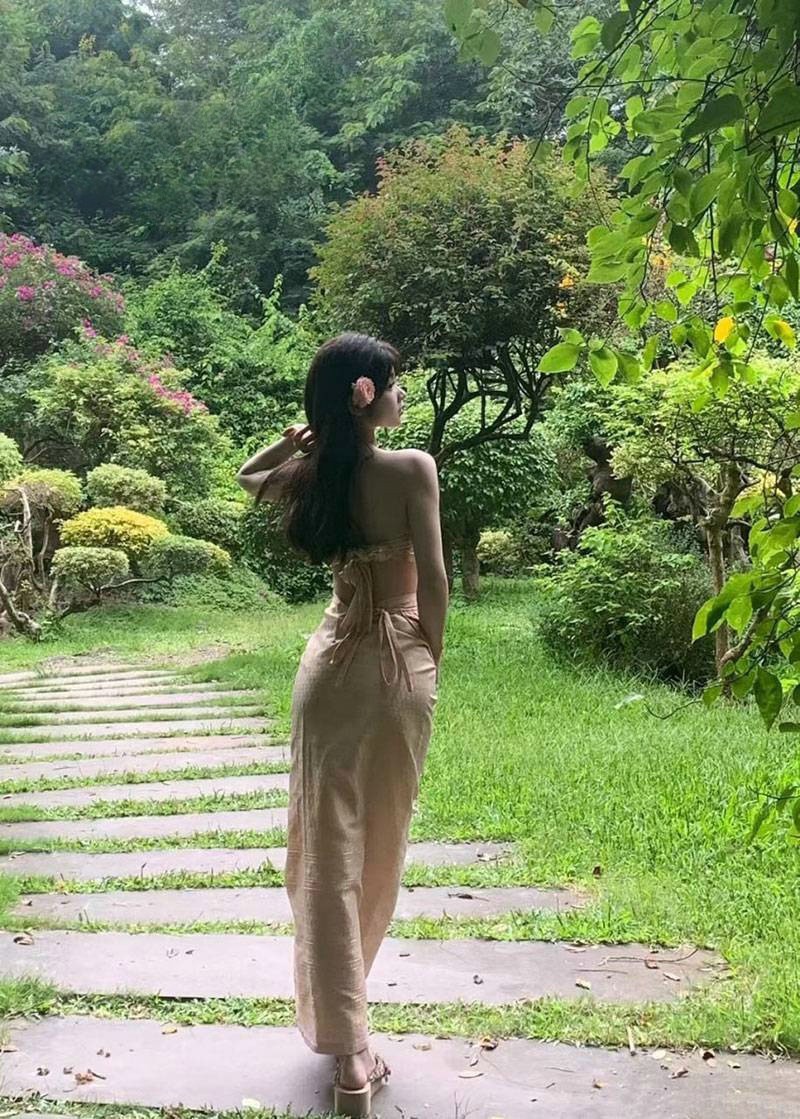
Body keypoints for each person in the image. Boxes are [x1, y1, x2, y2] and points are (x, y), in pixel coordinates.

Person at [236, 332, 448, 1116]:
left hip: (327, 671)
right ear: (365, 394)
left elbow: (248, 477)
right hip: (397, 665)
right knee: (381, 845)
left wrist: (293, 440)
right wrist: (428, 661)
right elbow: (434, 578)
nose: (400, 393)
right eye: (392, 382)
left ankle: (349, 1053)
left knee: (326, 854)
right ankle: (354, 1040)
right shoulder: (412, 469)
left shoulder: (316, 474)